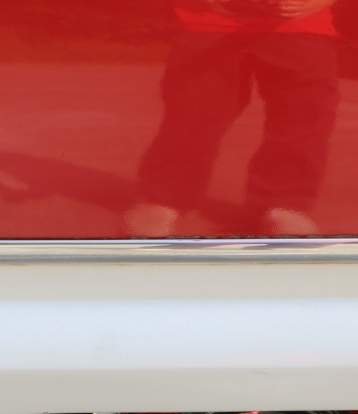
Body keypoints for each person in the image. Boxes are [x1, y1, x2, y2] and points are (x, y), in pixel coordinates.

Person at [125, 0, 340, 238]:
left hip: (300, 25)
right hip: (208, 21)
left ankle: (284, 203)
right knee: (192, 112)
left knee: (302, 116)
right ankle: (164, 198)